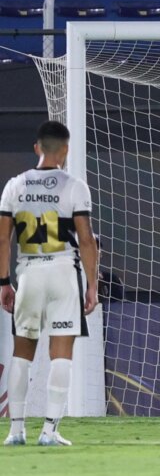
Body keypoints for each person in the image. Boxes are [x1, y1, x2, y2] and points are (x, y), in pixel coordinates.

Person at [0, 120, 99, 447]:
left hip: (29, 271)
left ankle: (15, 431)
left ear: (37, 148)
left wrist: (4, 282)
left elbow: (3, 240)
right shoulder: (74, 186)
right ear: (66, 150)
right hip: (62, 272)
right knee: (61, 353)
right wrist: (92, 285)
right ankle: (50, 430)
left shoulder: (14, 186)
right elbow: (86, 240)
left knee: (21, 354)